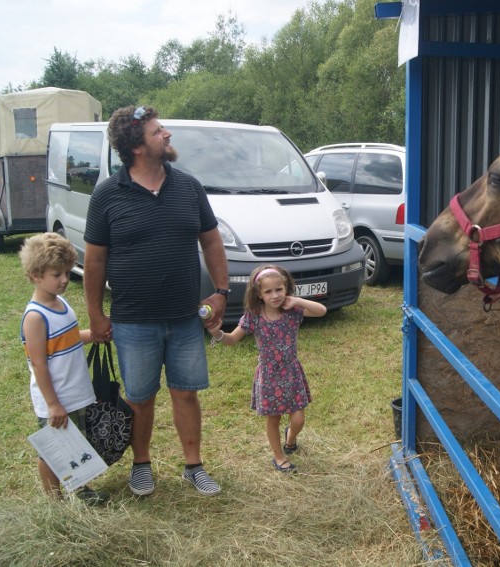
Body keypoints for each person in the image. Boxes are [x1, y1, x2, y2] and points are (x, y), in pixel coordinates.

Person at [83, 105, 229, 496]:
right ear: (136, 146)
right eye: (157, 131)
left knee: (186, 392)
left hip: (185, 317)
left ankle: (193, 466)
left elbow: (211, 239)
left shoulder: (188, 186)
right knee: (140, 397)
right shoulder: (107, 195)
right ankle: (141, 464)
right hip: (133, 320)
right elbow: (95, 259)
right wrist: (96, 315)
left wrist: (222, 290)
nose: (166, 135)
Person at [207, 264, 326, 473]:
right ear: (259, 294)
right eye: (268, 291)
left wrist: (296, 300)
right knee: (274, 418)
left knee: (298, 418)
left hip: (291, 372)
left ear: (286, 287)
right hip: (269, 375)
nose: (275, 295)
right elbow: (233, 338)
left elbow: (321, 311)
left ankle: (290, 438)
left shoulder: (293, 312)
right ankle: (279, 457)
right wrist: (218, 334)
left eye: (279, 289)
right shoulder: (253, 316)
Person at [19, 232, 108, 505]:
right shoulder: (35, 317)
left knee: (76, 443)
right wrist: (53, 405)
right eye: (56, 274)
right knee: (53, 450)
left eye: (67, 273)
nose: (65, 280)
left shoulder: (61, 303)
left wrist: (93, 334)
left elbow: (67, 339)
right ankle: (54, 501)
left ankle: (80, 489)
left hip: (75, 391)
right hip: (56, 399)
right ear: (35, 275)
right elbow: (38, 364)